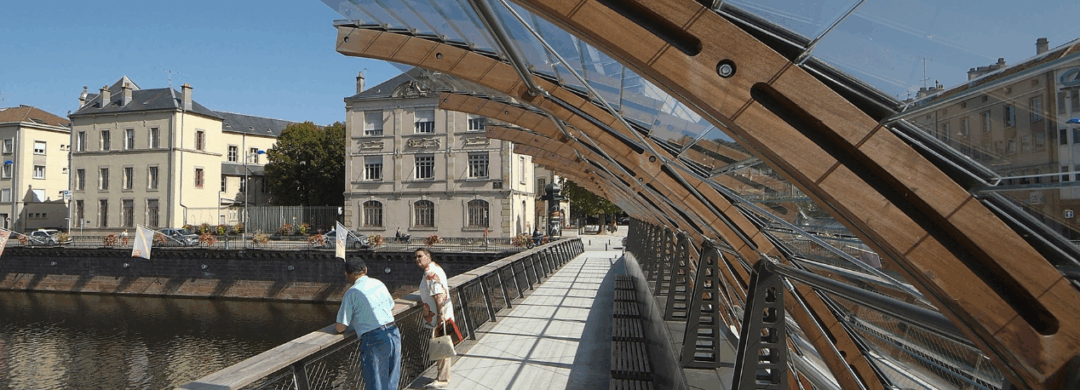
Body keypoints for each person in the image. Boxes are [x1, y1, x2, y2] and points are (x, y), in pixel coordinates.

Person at [335, 257, 402, 390]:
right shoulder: (378, 283)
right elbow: (391, 305)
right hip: (393, 333)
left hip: (374, 338)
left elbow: (340, 327)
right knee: (391, 381)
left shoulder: (351, 293)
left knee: (376, 383)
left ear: (347, 274)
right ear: (365, 270)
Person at [414, 248, 463, 389]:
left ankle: (442, 379)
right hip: (442, 312)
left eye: (420, 256)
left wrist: (440, 315)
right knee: (443, 344)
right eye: (416, 257)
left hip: (437, 315)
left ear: (427, 256)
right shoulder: (436, 267)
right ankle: (443, 376)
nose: (417, 259)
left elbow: (437, 294)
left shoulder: (430, 273)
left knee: (440, 344)